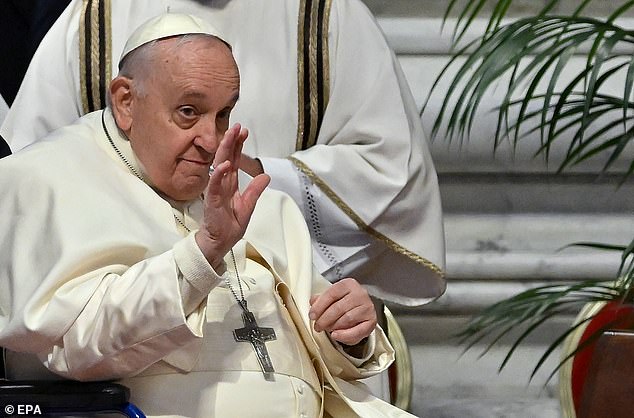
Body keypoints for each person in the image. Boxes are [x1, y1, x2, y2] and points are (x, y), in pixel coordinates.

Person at [0, 13, 415, 417]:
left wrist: (349, 334)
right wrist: (205, 252)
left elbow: (325, 353)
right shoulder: (47, 179)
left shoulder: (261, 205)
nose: (210, 140)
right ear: (125, 101)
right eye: (188, 112)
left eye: (223, 115)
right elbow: (72, 345)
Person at [1, 0, 446, 307]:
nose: (209, 138)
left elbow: (395, 172)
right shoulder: (94, 16)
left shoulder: (328, 15)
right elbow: (31, 179)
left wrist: (253, 182)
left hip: (281, 307)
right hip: (127, 314)